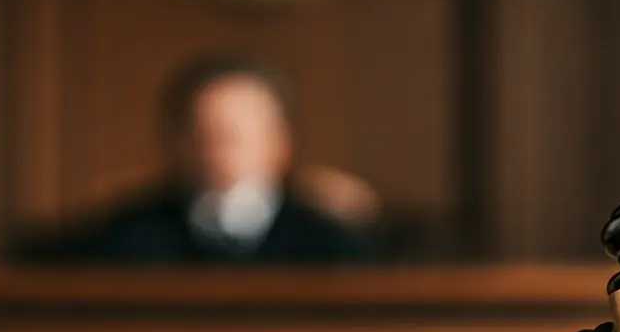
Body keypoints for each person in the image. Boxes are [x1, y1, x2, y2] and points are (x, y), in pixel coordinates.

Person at [19, 54, 378, 264]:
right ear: (178, 143)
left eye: (235, 137)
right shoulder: (128, 235)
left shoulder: (329, 239)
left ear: (280, 142)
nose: (219, 154)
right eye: (206, 137)